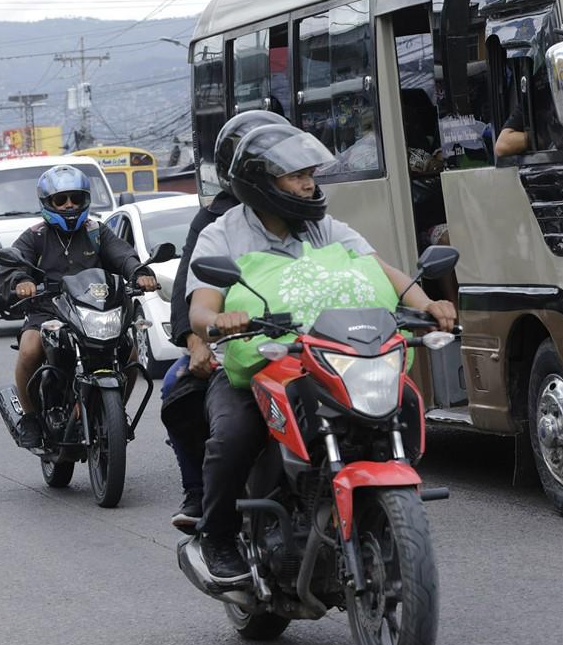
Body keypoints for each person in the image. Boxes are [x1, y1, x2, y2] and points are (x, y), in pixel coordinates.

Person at [185, 124, 457, 583]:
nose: (309, 184)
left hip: (331, 358)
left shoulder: (325, 227)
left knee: (398, 403)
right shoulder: (223, 234)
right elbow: (201, 306)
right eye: (295, 176)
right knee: (232, 436)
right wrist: (218, 321)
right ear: (259, 181)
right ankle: (218, 536)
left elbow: (380, 269)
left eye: (310, 173)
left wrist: (426, 303)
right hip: (262, 363)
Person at [162, 109, 288, 532]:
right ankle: (202, 496)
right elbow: (190, 293)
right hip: (241, 346)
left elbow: (361, 268)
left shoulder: (314, 218)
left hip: (307, 344)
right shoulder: (216, 222)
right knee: (176, 388)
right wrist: (199, 341)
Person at [1, 165, 158, 449]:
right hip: (48, 311)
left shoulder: (97, 232)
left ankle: (115, 411)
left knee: (130, 352)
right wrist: (21, 280)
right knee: (29, 350)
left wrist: (139, 272)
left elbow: (122, 255)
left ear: (85, 199)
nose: (69, 205)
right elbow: (16, 263)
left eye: (75, 197)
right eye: (61, 200)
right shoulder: (35, 236)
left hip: (93, 310)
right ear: (47, 203)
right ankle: (31, 417)